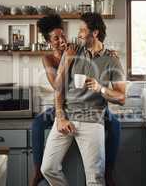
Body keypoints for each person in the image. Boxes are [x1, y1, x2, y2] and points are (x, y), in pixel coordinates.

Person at [31, 14, 121, 186]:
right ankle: (37, 170)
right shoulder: (50, 58)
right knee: (38, 124)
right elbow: (58, 87)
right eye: (56, 38)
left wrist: (108, 58)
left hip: (91, 108)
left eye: (62, 35)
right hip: (65, 104)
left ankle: (109, 171)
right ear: (50, 42)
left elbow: (95, 49)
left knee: (114, 124)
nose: (61, 40)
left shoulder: (76, 48)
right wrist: (61, 116)